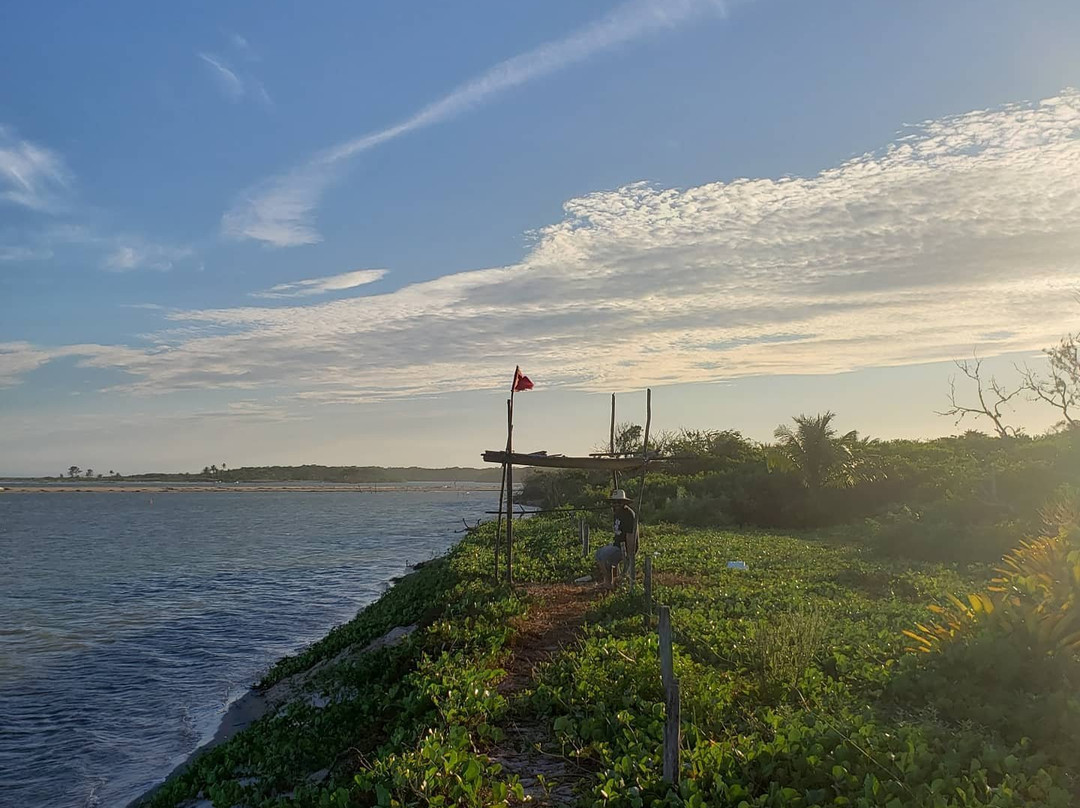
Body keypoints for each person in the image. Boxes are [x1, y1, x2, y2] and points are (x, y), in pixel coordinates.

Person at [595, 489, 638, 586]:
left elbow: (630, 535)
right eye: (614, 502)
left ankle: (609, 583)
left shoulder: (628, 515)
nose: (615, 504)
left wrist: (629, 554)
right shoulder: (616, 513)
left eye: (618, 502)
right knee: (598, 554)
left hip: (624, 547)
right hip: (617, 544)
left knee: (604, 557)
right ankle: (609, 581)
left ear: (623, 503)